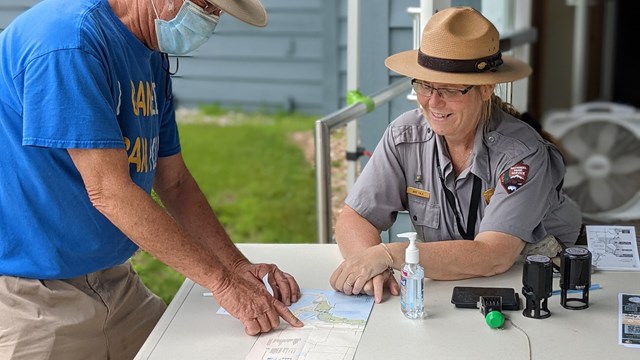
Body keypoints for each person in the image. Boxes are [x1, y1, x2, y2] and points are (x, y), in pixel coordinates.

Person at [0, 0, 303, 358]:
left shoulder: (149, 53)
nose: (211, 17)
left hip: (114, 279)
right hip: (32, 295)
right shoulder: (69, 42)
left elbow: (174, 181)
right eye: (206, 4)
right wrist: (223, 284)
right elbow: (109, 192)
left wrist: (237, 267)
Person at [329, 6, 582, 303]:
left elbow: (494, 255)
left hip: (541, 274)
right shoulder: (404, 136)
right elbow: (354, 217)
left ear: (485, 88)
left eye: (449, 89)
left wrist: (390, 254)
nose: (433, 102)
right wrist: (369, 266)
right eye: (425, 85)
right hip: (453, 281)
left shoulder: (522, 154)